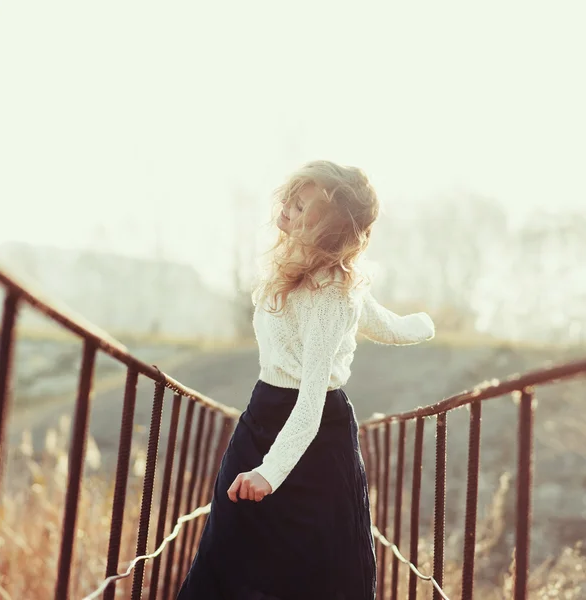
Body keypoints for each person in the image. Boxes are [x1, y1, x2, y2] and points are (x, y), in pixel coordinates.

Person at [176, 160, 435, 600]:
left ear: (329, 230)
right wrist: (425, 323)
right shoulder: (292, 267)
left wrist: (268, 474)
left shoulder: (333, 293)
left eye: (302, 208)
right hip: (262, 416)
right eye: (293, 200)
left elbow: (311, 401)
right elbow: (387, 324)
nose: (288, 210)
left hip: (314, 436)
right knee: (227, 549)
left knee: (312, 569)